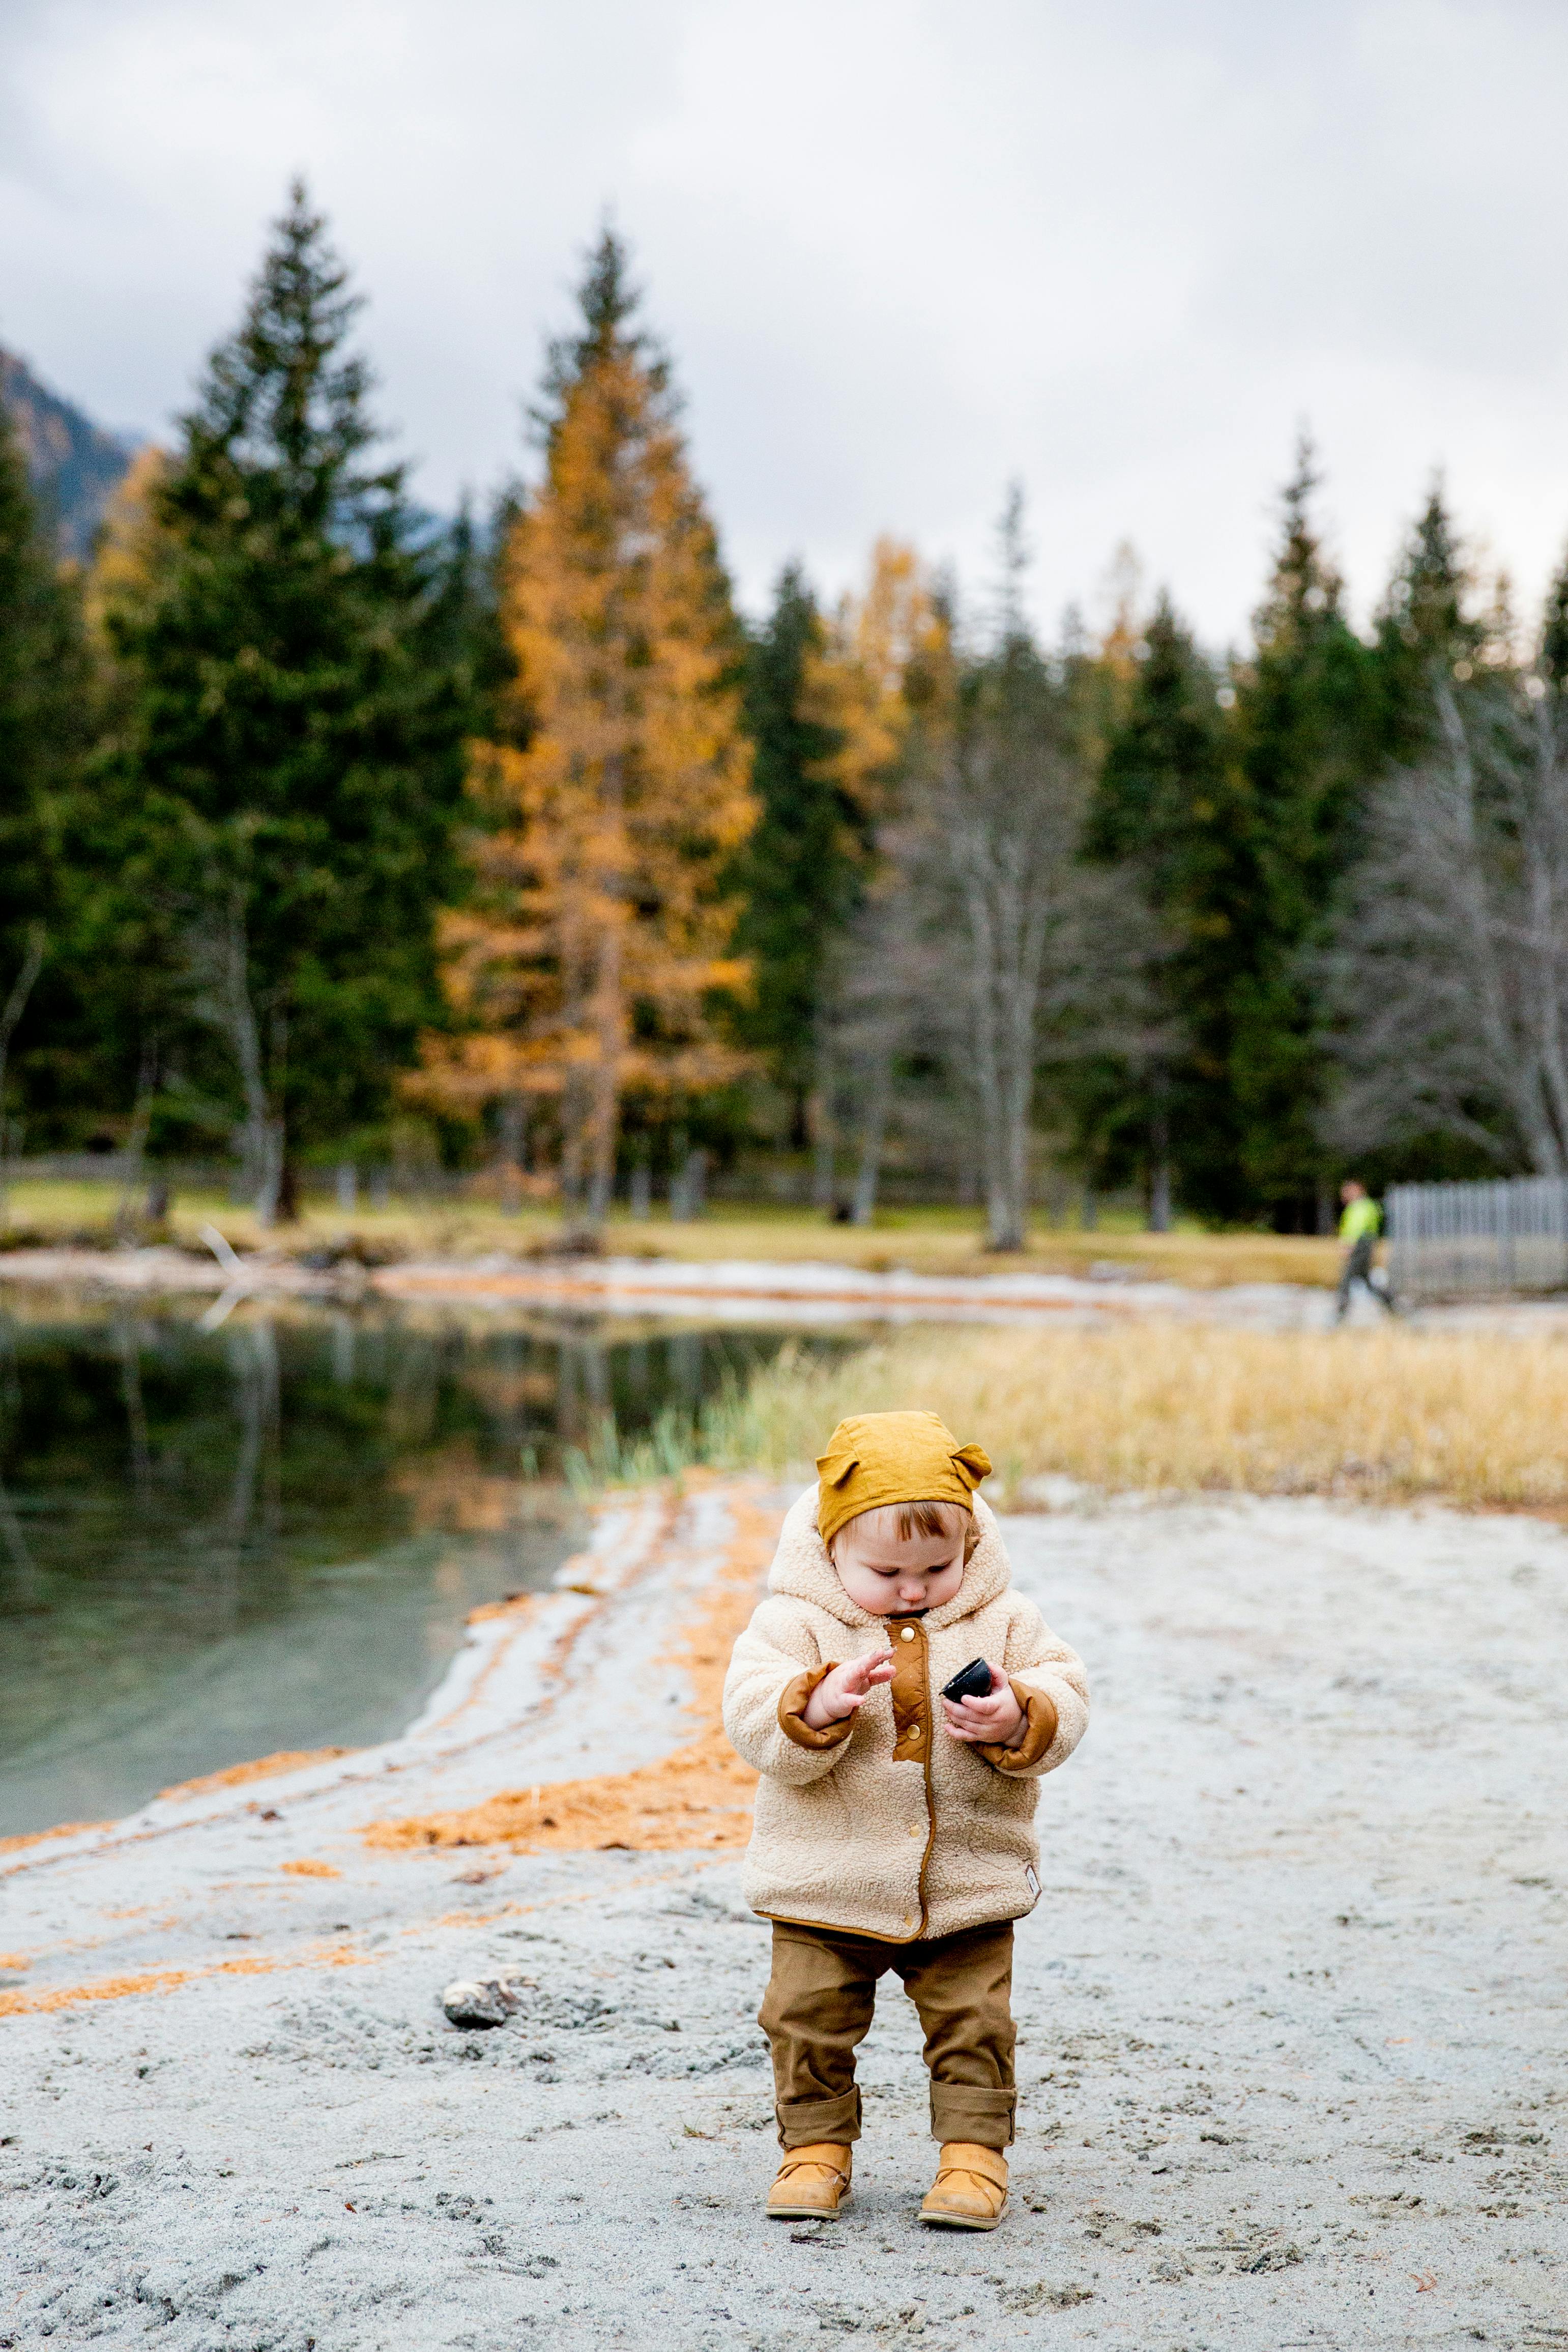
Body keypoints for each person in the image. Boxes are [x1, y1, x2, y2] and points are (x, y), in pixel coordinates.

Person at [722, 1409, 1089, 2231]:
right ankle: (813, 2148)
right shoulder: (794, 1620)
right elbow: (746, 1710)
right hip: (824, 1879)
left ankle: (973, 2154)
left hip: (965, 1879)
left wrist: (1016, 1714)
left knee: (974, 2022)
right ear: (830, 1548)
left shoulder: (1004, 1617)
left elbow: (1067, 1691)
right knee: (803, 2018)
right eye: (886, 1569)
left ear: (971, 1544)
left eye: (936, 1564)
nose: (915, 1587)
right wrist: (809, 1702)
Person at [1335, 1179, 1395, 1322]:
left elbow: (1357, 1226)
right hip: (1364, 1244)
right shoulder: (1365, 1206)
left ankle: (1340, 1314)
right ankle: (1392, 1305)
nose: (1345, 1195)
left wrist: (1349, 1243)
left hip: (1360, 1245)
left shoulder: (1361, 1206)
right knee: (1366, 1280)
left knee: (1347, 1278)